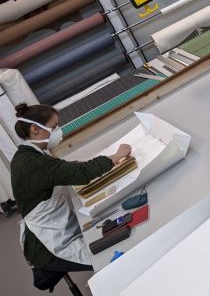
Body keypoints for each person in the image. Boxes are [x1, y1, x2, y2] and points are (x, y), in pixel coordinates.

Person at [10, 103, 131, 274]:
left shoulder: (25, 155)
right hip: (47, 245)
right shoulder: (35, 163)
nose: (57, 132)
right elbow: (81, 173)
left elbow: (62, 169)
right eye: (53, 127)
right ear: (35, 129)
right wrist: (117, 156)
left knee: (108, 237)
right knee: (110, 257)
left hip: (54, 226)